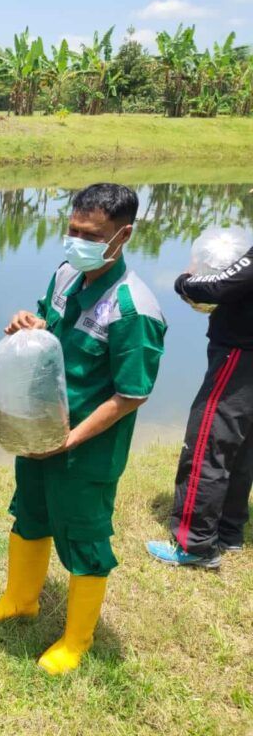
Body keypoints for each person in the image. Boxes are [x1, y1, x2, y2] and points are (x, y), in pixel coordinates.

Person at [0, 183, 167, 675]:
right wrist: (27, 322)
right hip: (39, 428)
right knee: (30, 514)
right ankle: (20, 599)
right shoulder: (65, 273)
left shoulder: (134, 309)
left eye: (90, 234)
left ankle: (76, 641)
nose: (77, 240)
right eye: (73, 229)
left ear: (122, 236)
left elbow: (131, 395)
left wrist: (71, 440)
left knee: (84, 539)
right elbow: (50, 331)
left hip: (86, 449)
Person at [147, 241, 253, 568]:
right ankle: (229, 531)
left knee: (209, 443)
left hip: (239, 355)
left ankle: (194, 542)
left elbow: (219, 286)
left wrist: (184, 280)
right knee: (242, 446)